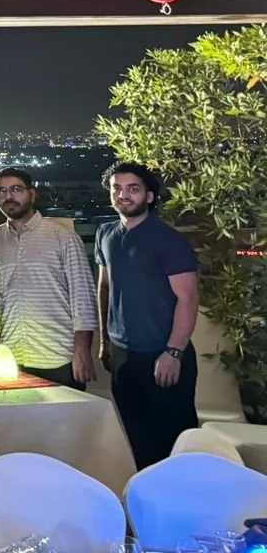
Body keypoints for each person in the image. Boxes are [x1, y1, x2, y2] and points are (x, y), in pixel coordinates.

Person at [96, 161, 200, 468]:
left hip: (163, 354)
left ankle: (186, 510)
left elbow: (188, 299)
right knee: (137, 440)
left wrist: (173, 352)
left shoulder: (168, 241)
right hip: (123, 355)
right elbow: (105, 287)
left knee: (175, 444)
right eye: (117, 188)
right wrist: (105, 341)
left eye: (133, 189)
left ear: (150, 196)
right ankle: (148, 510)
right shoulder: (105, 234)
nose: (123, 195)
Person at [0, 167, 98, 389]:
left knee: (66, 423)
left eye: (16, 189)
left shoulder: (62, 236)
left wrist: (82, 351)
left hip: (57, 356)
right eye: (1, 191)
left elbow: (82, 297)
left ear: (32, 194)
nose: (8, 196)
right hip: (12, 358)